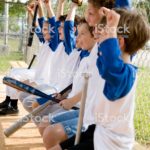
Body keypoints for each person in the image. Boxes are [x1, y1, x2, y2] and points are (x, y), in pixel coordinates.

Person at [53, 6, 150, 150]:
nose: (98, 41)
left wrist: (111, 30)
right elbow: (104, 61)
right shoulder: (108, 66)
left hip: (110, 143)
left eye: (103, 38)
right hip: (98, 130)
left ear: (118, 43)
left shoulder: (123, 75)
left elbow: (111, 65)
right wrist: (105, 24)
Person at [0, 0, 59, 115]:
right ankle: (9, 101)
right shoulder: (45, 40)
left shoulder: (54, 45)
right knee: (13, 71)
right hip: (37, 73)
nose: (43, 31)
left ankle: (13, 105)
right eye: (44, 29)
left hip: (43, 78)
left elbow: (51, 24)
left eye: (47, 29)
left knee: (15, 75)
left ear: (52, 32)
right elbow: (40, 24)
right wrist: (32, 12)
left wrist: (46, 5)